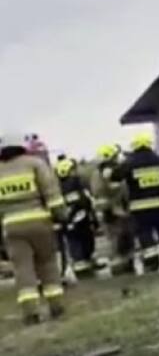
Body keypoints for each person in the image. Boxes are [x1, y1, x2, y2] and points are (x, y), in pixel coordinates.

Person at [0, 133, 67, 325]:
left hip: (11, 226)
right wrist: (61, 215)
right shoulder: (35, 164)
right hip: (39, 222)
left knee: (23, 269)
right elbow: (52, 193)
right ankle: (56, 305)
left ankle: (31, 312)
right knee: (47, 263)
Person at [113, 131, 159, 272]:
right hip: (158, 204)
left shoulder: (130, 163)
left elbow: (115, 176)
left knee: (145, 233)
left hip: (139, 207)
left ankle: (152, 263)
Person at [93, 143, 136, 276]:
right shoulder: (107, 172)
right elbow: (119, 190)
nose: (117, 158)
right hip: (114, 211)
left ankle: (125, 264)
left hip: (109, 211)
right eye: (115, 156)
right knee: (118, 241)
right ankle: (120, 267)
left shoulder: (97, 173)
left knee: (119, 240)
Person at [55, 158, 99, 279]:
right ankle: (84, 263)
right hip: (81, 218)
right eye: (73, 169)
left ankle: (81, 263)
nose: (76, 171)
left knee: (75, 243)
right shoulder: (77, 183)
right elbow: (85, 202)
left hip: (68, 220)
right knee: (84, 241)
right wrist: (93, 218)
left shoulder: (58, 187)